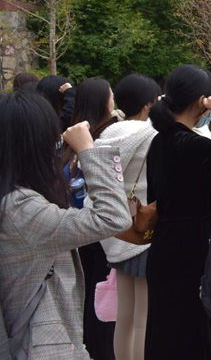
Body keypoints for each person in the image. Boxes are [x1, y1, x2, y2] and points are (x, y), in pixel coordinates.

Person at [0, 92, 131, 359]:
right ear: (35, 144)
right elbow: (113, 217)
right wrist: (88, 150)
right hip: (44, 346)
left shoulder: (11, 199)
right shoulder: (21, 208)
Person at [145, 64, 211, 360]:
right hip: (195, 254)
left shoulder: (160, 140)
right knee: (196, 337)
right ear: (203, 102)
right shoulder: (193, 146)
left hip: (164, 248)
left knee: (167, 335)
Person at [94, 74, 161, 360]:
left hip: (118, 233)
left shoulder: (106, 135)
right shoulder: (151, 134)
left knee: (124, 316)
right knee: (144, 318)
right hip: (143, 233)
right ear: (148, 105)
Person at [63, 78, 118, 360]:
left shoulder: (69, 140)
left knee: (87, 302)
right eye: (111, 96)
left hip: (76, 233)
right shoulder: (101, 140)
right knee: (104, 307)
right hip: (102, 234)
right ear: (103, 102)